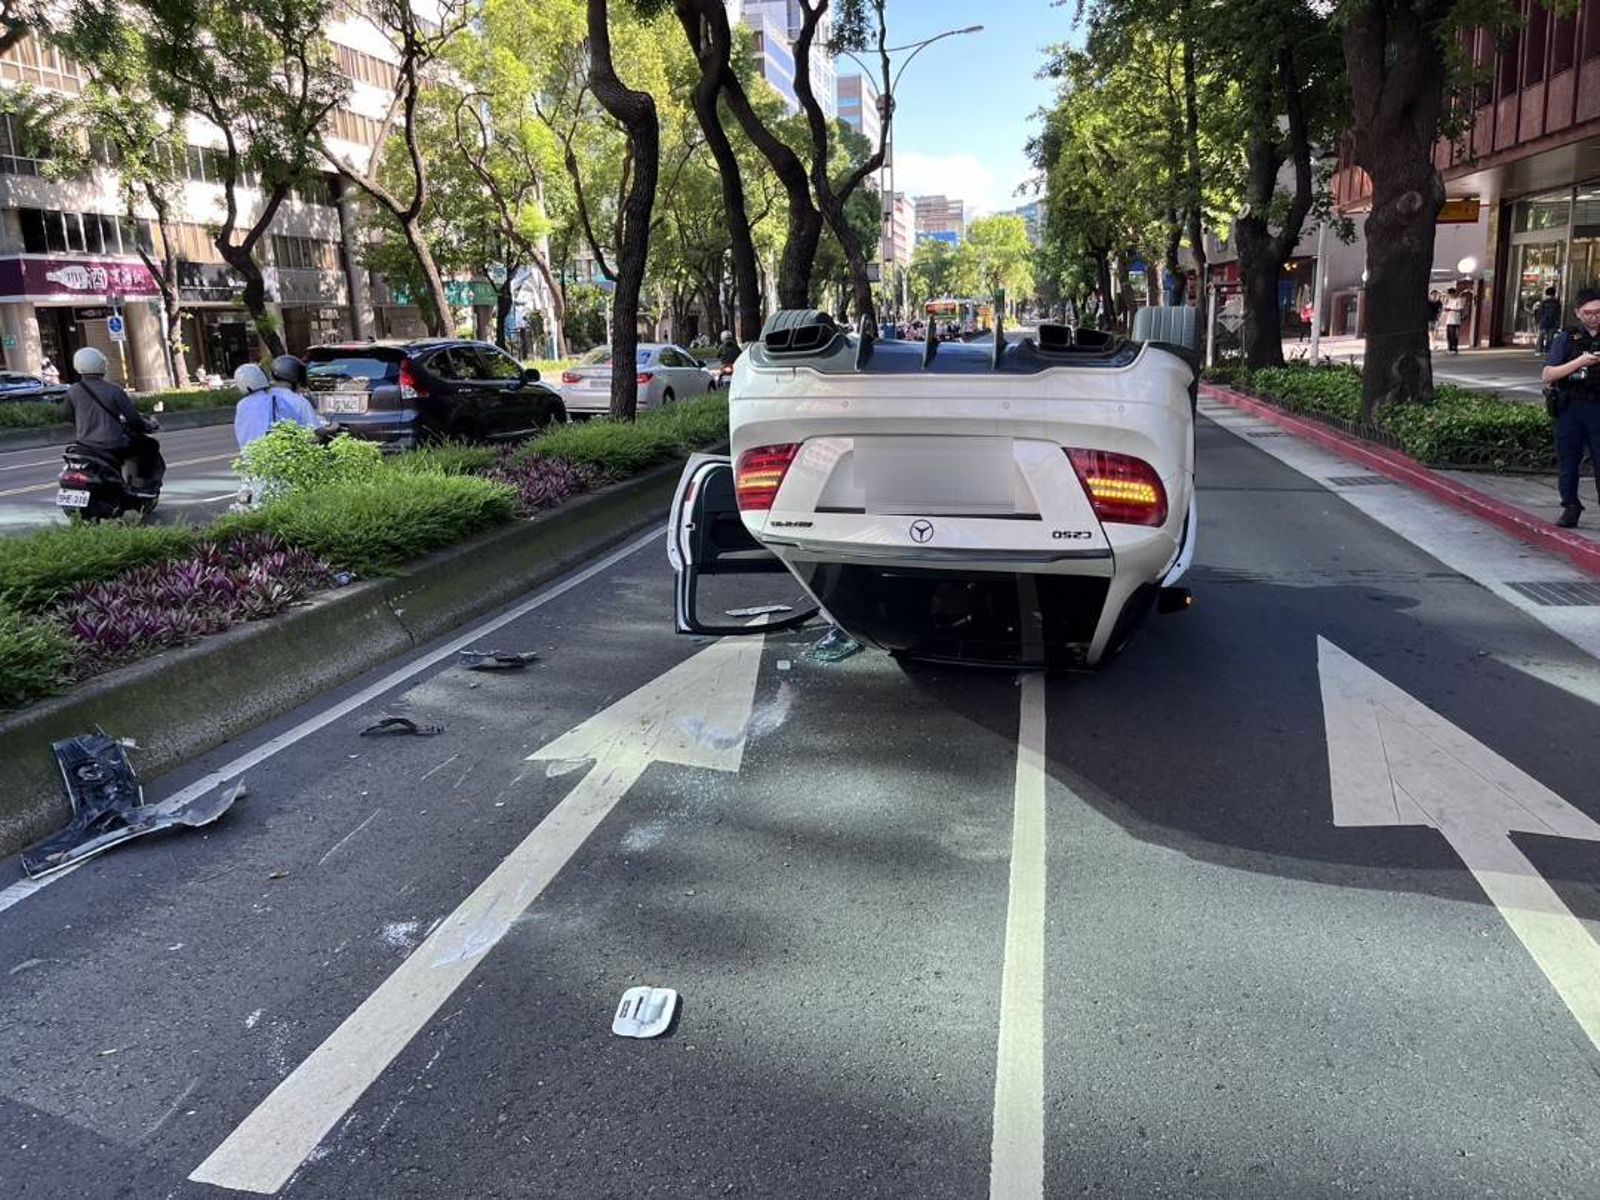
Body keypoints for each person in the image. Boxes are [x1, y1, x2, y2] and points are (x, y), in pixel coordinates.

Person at [57, 346, 163, 495]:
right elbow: (133, 419)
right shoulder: (114, 390)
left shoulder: (73, 390)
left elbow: (65, 415)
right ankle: (141, 485)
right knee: (150, 444)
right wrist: (148, 425)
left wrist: (83, 423)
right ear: (102, 366)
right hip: (113, 445)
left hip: (85, 445)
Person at [1542, 287, 1600, 528]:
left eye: (1598, 312)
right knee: (1568, 459)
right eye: (1588, 313)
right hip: (1570, 407)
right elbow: (1548, 374)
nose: (1594, 317)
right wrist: (1580, 362)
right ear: (1577, 313)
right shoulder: (1567, 338)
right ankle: (1570, 506)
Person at [234, 356, 325, 451]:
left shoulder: (243, 404)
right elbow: (316, 431)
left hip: (249, 457)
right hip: (282, 455)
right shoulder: (297, 401)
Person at [1536, 286, 1562, 355]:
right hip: (1553, 322)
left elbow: (1540, 312)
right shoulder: (1556, 302)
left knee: (1541, 336)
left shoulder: (1544, 302)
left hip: (1543, 321)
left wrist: (1538, 320)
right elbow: (1558, 313)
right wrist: (1558, 322)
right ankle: (1547, 350)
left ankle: (1539, 350)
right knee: (1550, 337)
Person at [1442, 286, 1466, 354]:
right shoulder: (1448, 300)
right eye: (1449, 294)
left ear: (1454, 293)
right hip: (1448, 320)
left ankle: (1454, 348)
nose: (1450, 295)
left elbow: (1460, 309)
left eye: (1451, 294)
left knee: (1454, 335)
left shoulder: (1458, 300)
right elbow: (1444, 307)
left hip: (1456, 320)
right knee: (1449, 335)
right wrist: (1445, 307)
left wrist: (1451, 309)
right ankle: (1449, 348)